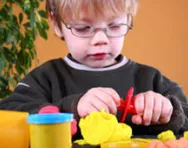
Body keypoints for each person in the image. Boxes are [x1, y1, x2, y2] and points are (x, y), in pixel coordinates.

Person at [0, 0, 188, 140]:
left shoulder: (151, 79)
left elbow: (185, 116)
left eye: (114, 26)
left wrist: (169, 113)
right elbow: (9, 114)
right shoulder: (46, 78)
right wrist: (71, 108)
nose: (100, 39)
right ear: (56, 24)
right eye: (83, 28)